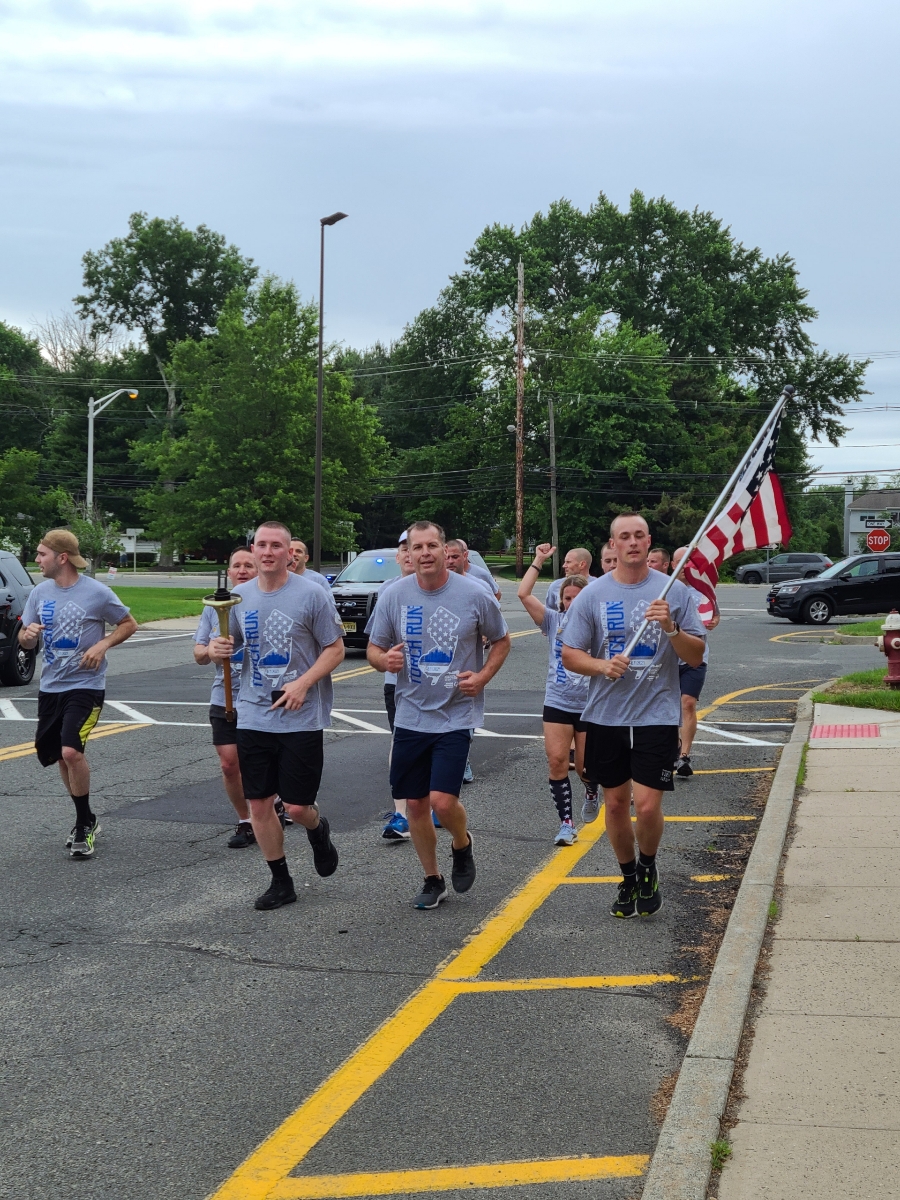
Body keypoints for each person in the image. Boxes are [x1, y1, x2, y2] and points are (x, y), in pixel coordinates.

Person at [561, 513, 705, 919]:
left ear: (648, 542)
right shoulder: (593, 594)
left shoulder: (672, 592)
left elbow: (695, 656)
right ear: (613, 545)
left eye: (639, 535)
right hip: (606, 715)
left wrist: (673, 628)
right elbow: (570, 654)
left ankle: (647, 865)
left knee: (646, 806)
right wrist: (601, 666)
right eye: (624, 537)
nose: (633, 542)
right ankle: (627, 878)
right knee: (616, 804)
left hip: (656, 714)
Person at [366, 521, 511, 909]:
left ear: (445, 550)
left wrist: (481, 677)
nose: (425, 553)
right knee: (415, 805)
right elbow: (374, 649)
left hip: (456, 713)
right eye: (418, 547)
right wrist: (385, 659)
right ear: (408, 553)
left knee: (442, 802)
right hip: (411, 712)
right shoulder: (394, 595)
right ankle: (433, 878)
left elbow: (501, 640)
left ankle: (462, 844)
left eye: (432, 545)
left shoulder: (474, 594)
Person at [208, 521, 345, 910]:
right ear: (252, 550)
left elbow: (334, 650)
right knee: (260, 804)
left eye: (276, 546)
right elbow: (222, 645)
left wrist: (303, 683)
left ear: (290, 552)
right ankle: (281, 881)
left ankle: (318, 830)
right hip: (253, 713)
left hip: (301, 716)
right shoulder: (238, 596)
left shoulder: (312, 595)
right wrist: (216, 650)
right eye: (261, 545)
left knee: (298, 807)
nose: (267, 552)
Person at [18, 529, 138, 858]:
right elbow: (25, 641)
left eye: (42, 554)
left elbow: (129, 623)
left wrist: (102, 644)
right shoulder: (39, 593)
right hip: (51, 687)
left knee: (71, 751)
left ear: (62, 557)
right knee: (58, 754)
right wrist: (27, 636)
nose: (37, 559)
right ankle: (86, 818)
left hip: (86, 686)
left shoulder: (97, 593)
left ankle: (83, 825)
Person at [194, 546, 291, 848]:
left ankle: (270, 800)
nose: (242, 571)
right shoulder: (214, 605)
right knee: (228, 763)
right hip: (225, 695)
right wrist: (210, 651)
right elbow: (198, 651)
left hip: (261, 694)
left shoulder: (264, 601)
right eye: (236, 565)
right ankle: (245, 818)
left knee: (262, 759)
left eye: (248, 565)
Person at [517, 542, 599, 844]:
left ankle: (592, 789)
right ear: (561, 602)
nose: (573, 602)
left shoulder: (598, 625)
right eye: (567, 597)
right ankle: (566, 823)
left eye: (579, 598)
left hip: (591, 704)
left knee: (587, 767)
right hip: (558, 701)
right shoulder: (553, 620)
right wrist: (538, 559)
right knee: (556, 762)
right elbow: (523, 594)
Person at [377, 533, 418, 840]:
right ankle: (401, 814)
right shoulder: (388, 591)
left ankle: (430, 803)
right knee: (399, 742)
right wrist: (384, 658)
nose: (408, 554)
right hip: (398, 684)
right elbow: (374, 646)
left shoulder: (447, 588)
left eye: (413, 548)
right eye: (403, 548)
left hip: (438, 687)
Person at [671, 544, 720, 778]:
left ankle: (684, 756)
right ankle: (671, 747)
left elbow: (714, 615)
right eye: (682, 562)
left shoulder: (703, 590)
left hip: (696, 657)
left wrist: (713, 621)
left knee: (688, 703)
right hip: (669, 659)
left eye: (690, 562)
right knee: (669, 708)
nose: (686, 567)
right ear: (673, 565)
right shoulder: (665, 590)